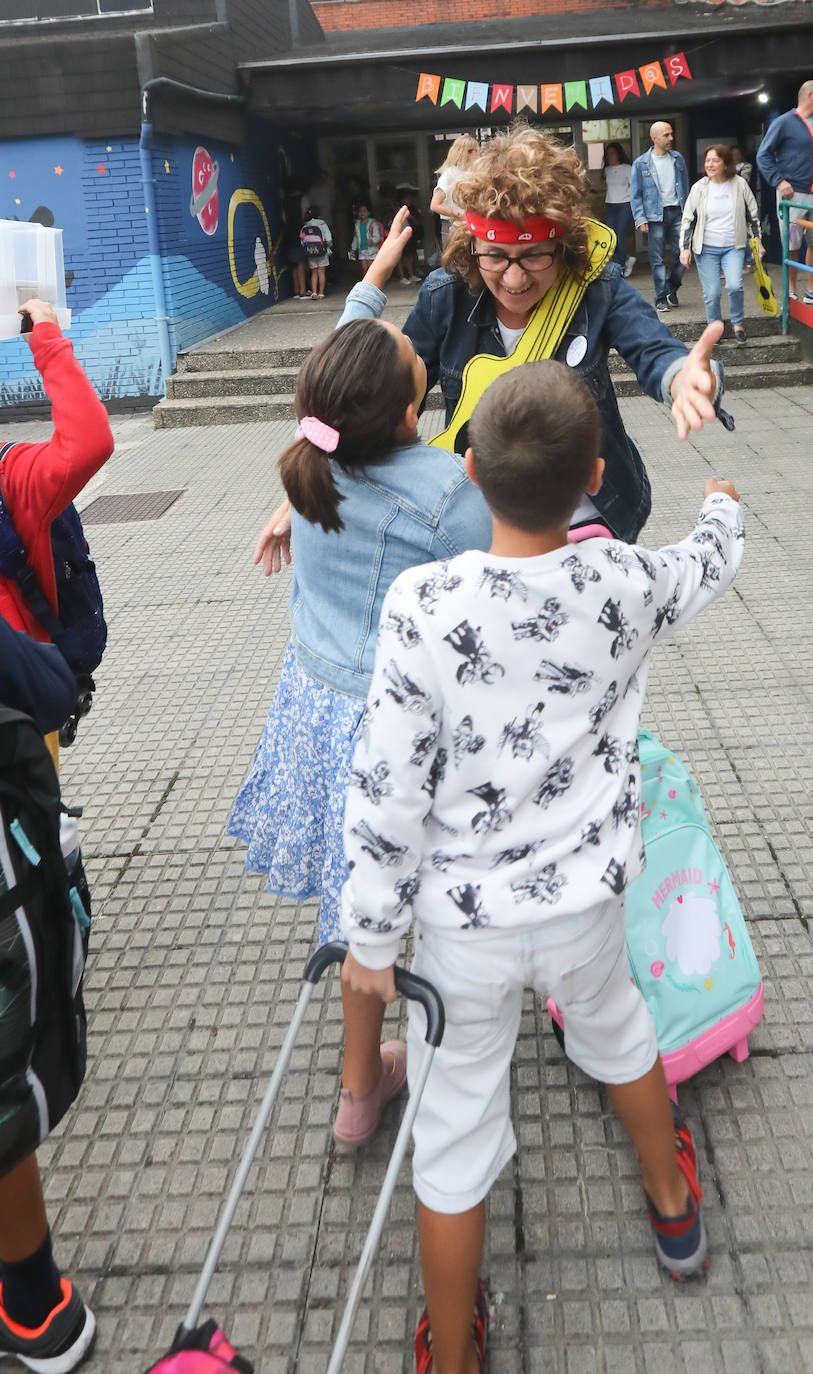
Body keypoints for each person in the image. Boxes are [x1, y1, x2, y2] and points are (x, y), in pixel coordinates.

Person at [339, 359, 744, 1374]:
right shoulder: (622, 580)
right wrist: (722, 508)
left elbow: (386, 785)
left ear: (466, 468)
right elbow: (706, 559)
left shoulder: (421, 605)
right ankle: (672, 1206)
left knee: (455, 1128)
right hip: (585, 911)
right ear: (595, 474)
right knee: (619, 1034)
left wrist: (370, 936)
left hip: (457, 935)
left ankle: (454, 1350)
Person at [228, 212, 493, 1148]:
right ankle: (417, 1069)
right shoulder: (448, 497)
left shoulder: (316, 457)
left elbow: (351, 345)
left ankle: (355, 1088)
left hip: (314, 711)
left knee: (354, 910)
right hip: (399, 736)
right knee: (401, 916)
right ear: (411, 412)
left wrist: (378, 269)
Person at [398, 123, 725, 547]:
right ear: (472, 246)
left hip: (593, 523)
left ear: (563, 247)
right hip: (484, 530)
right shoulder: (445, 297)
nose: (514, 279)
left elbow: (653, 348)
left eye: (534, 256)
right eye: (495, 256)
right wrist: (324, 478)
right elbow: (389, 403)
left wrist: (684, 378)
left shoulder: (595, 287)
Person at [0, 298, 112, 1371]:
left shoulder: (13, 486)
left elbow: (89, 444)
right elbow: (90, 438)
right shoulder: (15, 480)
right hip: (23, 726)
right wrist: (45, 334)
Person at [756, 79, 813, 306]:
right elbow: (762, 155)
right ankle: (791, 291)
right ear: (811, 95)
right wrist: (778, 181)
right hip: (793, 195)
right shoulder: (784, 122)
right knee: (792, 242)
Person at [679, 144, 763, 344]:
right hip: (706, 248)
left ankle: (738, 323)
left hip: (733, 246)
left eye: (715, 160)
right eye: (707, 160)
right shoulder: (699, 187)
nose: (710, 164)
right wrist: (684, 248)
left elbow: (752, 214)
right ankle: (714, 327)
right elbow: (688, 219)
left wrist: (757, 241)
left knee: (734, 285)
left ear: (726, 164)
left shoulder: (739, 184)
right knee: (713, 292)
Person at [630, 121, 690, 312]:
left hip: (677, 212)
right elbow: (635, 194)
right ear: (654, 138)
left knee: (683, 254)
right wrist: (640, 219)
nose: (671, 138)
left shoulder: (677, 158)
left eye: (671, 134)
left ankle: (671, 287)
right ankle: (660, 297)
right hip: (654, 216)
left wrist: (688, 212)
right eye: (666, 135)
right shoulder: (641, 163)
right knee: (657, 259)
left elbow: (685, 186)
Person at [429, 135, 479, 248]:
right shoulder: (450, 174)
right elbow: (435, 205)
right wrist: (458, 215)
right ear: (467, 153)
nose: (478, 153)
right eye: (475, 150)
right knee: (456, 262)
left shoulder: (472, 173)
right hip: (453, 226)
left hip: (469, 225)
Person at [601, 141, 636, 277]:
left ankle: (621, 268)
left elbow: (634, 187)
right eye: (608, 154)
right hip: (610, 204)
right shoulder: (607, 170)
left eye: (612, 153)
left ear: (618, 154)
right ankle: (627, 258)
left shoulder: (628, 168)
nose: (610, 156)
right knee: (610, 237)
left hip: (625, 204)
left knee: (620, 236)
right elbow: (606, 186)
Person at [300, 206, 333, 300]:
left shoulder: (305, 226)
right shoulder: (322, 224)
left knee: (314, 272)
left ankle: (314, 292)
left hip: (310, 252)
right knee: (321, 272)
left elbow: (302, 240)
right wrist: (327, 246)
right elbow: (329, 238)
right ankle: (321, 293)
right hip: (322, 251)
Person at [350, 203, 385, 278]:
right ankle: (367, 283)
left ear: (369, 213)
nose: (362, 213)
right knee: (364, 268)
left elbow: (377, 236)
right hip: (362, 249)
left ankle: (373, 283)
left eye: (364, 211)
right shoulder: (357, 224)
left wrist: (372, 241)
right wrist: (353, 248)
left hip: (371, 249)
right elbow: (356, 238)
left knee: (371, 268)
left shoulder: (373, 223)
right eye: (360, 211)